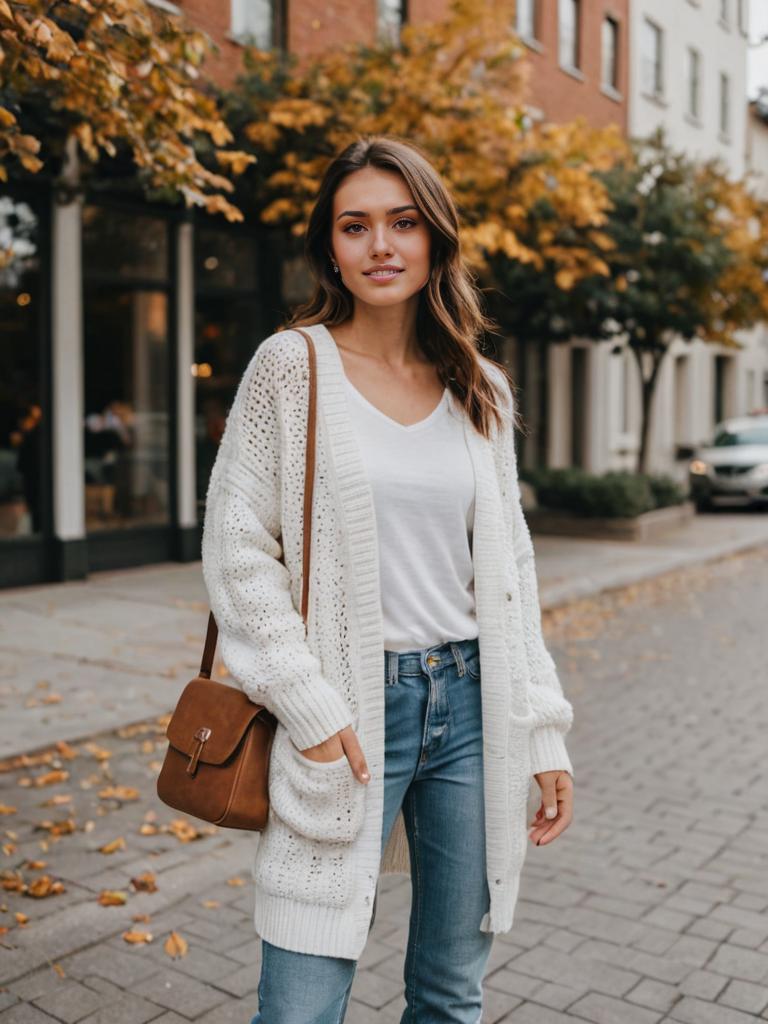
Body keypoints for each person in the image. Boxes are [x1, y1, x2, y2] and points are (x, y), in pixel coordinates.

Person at [201, 135, 575, 1024]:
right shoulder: (290, 368)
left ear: (435, 238)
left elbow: (511, 573)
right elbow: (238, 548)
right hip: (346, 710)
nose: (380, 246)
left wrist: (542, 730)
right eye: (355, 225)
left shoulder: (479, 386)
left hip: (473, 707)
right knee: (300, 1006)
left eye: (402, 223)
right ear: (329, 246)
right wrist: (310, 707)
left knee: (451, 995)